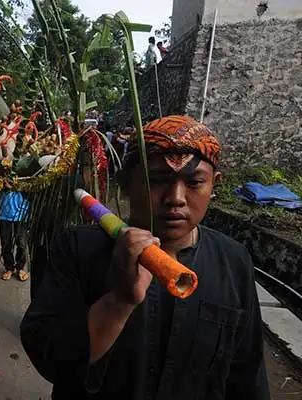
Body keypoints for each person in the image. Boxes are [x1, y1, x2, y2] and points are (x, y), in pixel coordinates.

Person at [20, 116, 270, 399]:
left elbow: (247, 378)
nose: (175, 197)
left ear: (214, 185)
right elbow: (47, 356)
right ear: (126, 182)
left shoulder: (234, 263)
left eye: (195, 182)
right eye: (157, 180)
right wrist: (119, 302)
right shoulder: (78, 247)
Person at [0, 185, 30, 281]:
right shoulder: (2, 170)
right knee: (5, 243)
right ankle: (9, 268)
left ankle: (20, 267)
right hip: (4, 213)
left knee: (22, 243)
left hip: (22, 213)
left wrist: (20, 186)